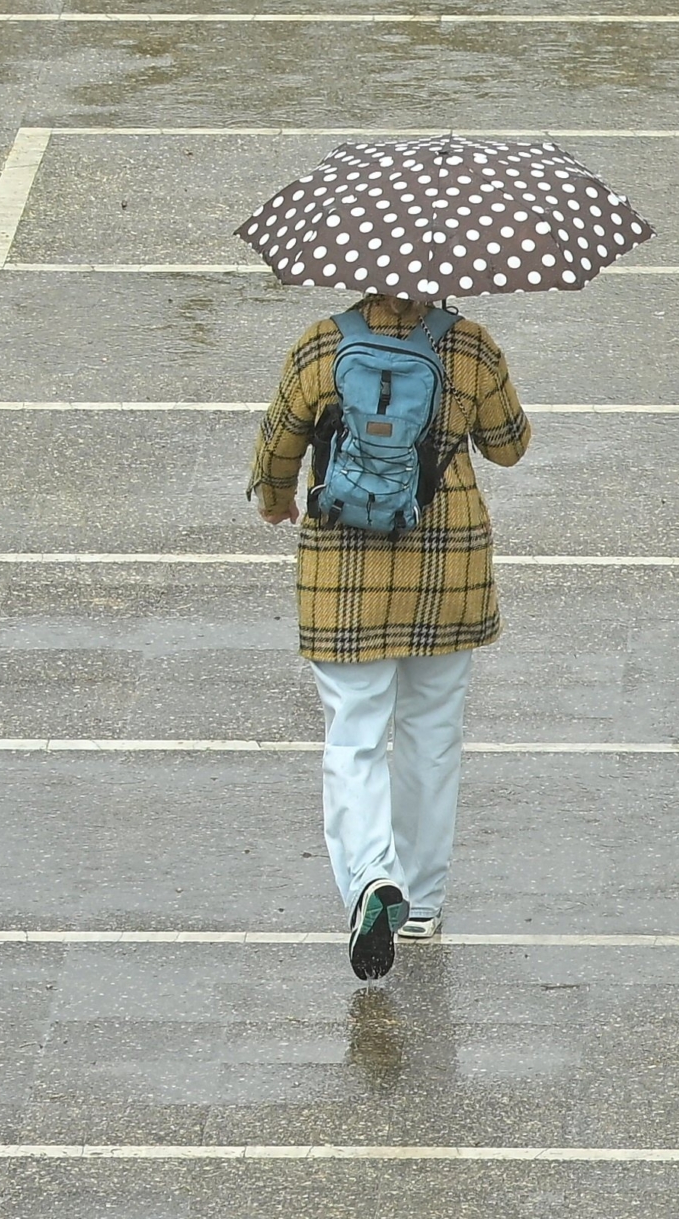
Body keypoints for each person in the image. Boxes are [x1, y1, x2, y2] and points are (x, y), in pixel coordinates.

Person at [249, 293, 529, 980]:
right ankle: (424, 900)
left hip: (343, 572)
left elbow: (278, 446)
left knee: (355, 733)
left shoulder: (321, 345)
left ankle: (372, 880)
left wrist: (276, 495)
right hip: (448, 568)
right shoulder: (471, 346)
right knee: (432, 733)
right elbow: (510, 446)